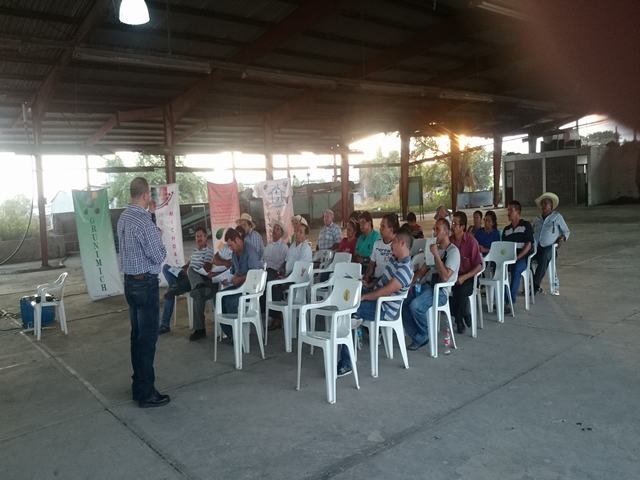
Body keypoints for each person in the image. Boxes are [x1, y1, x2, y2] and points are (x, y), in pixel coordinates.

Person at [117, 177, 170, 409]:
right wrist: (159, 236)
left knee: (136, 337)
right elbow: (158, 255)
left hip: (130, 283)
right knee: (148, 340)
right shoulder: (143, 221)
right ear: (146, 195)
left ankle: (138, 386)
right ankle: (146, 393)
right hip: (146, 284)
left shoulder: (123, 217)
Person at [336, 231, 414, 376]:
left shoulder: (405, 269)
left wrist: (364, 297)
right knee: (347, 291)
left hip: (384, 308)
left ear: (402, 243)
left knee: (349, 311)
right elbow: (382, 282)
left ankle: (347, 363)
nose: (392, 244)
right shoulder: (395, 260)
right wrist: (368, 284)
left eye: (394, 241)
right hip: (377, 300)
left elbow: (385, 291)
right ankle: (353, 329)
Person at [402, 218, 460, 350]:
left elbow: (445, 277)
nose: (434, 232)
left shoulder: (453, 252)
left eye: (437, 229)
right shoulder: (434, 247)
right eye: (434, 229)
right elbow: (423, 269)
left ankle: (424, 334)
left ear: (446, 232)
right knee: (403, 302)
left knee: (415, 306)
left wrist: (437, 256)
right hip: (426, 286)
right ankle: (418, 336)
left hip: (440, 291)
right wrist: (411, 283)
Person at [186, 227, 233, 342]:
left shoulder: (209, 251)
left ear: (205, 237)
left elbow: (208, 267)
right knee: (181, 271)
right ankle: (181, 287)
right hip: (196, 280)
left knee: (197, 293)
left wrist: (196, 268)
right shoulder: (195, 252)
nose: (198, 238)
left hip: (207, 281)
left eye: (201, 236)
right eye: (197, 236)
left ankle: (200, 330)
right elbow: (190, 264)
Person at [219, 227, 263, 337]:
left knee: (231, 301)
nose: (230, 248)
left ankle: (238, 335)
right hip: (238, 286)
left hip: (250, 289)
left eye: (231, 245)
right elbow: (234, 271)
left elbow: (256, 274)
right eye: (229, 246)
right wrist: (228, 280)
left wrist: (240, 279)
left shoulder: (250, 251)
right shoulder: (234, 253)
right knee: (219, 296)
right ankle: (230, 333)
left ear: (238, 240)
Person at [450, 211, 484, 334]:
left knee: (460, 292)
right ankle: (465, 313)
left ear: (462, 226)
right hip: (454, 276)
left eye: (455, 224)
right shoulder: (450, 241)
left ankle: (459, 321)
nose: (452, 226)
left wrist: (464, 277)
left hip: (470, 277)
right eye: (452, 223)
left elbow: (479, 265)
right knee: (445, 294)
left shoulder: (471, 241)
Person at [532, 192, 570, 294]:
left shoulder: (557, 217)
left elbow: (566, 231)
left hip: (549, 249)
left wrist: (561, 238)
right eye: (542, 203)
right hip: (536, 248)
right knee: (525, 258)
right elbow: (532, 232)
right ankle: (531, 284)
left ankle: (534, 286)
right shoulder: (537, 219)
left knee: (544, 256)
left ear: (551, 206)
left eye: (546, 203)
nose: (544, 205)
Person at [502, 200, 534, 309]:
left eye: (511, 210)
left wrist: (517, 257)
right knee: (500, 270)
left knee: (516, 269)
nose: (508, 213)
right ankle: (503, 298)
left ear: (518, 212)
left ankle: (509, 302)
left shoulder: (526, 225)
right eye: (508, 210)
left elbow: (528, 245)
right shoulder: (506, 230)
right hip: (508, 258)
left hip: (522, 258)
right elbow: (503, 248)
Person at [363, 213, 398, 288]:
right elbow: (371, 264)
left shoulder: (397, 246)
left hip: (388, 284)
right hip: (375, 280)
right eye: (380, 226)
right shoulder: (377, 243)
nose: (380, 229)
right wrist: (366, 277)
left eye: (383, 226)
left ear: (391, 229)